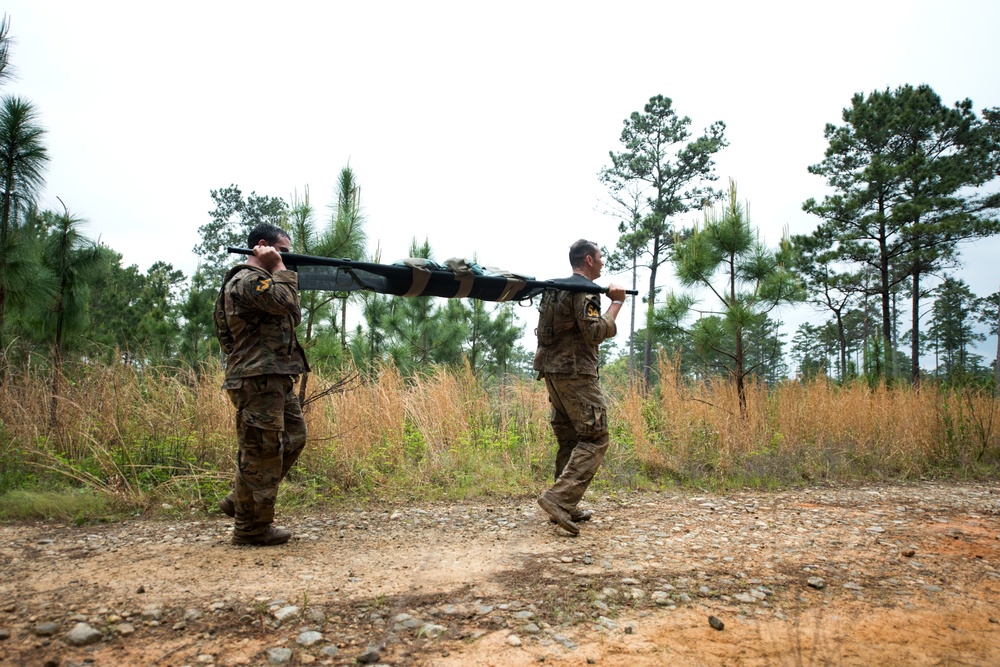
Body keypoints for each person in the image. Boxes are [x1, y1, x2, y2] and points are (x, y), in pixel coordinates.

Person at [214, 223, 309, 546]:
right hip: (257, 378)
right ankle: (251, 528)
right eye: (282, 251)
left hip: (275, 376)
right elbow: (286, 302)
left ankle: (239, 500)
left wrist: (280, 271)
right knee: (263, 452)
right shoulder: (246, 281)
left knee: (294, 437)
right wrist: (279, 266)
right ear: (264, 246)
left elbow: (291, 311)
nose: (287, 259)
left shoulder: (265, 282)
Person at [533, 239, 625, 536]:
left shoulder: (553, 289)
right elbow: (595, 332)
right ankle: (559, 500)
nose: (602, 263)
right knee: (596, 437)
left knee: (570, 438)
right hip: (576, 373)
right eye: (600, 258)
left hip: (551, 371)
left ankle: (565, 506)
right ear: (588, 260)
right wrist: (617, 303)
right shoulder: (585, 291)